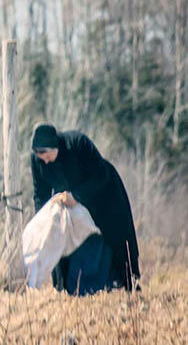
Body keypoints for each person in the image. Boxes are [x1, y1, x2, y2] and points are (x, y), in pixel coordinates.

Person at [30, 123, 140, 293]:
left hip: (105, 194)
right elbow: (40, 194)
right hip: (71, 206)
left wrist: (77, 196)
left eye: (46, 154)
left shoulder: (77, 143)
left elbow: (101, 174)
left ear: (55, 146)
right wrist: (43, 221)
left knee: (114, 239)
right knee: (62, 239)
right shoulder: (38, 160)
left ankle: (121, 285)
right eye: (39, 156)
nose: (44, 160)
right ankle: (70, 290)